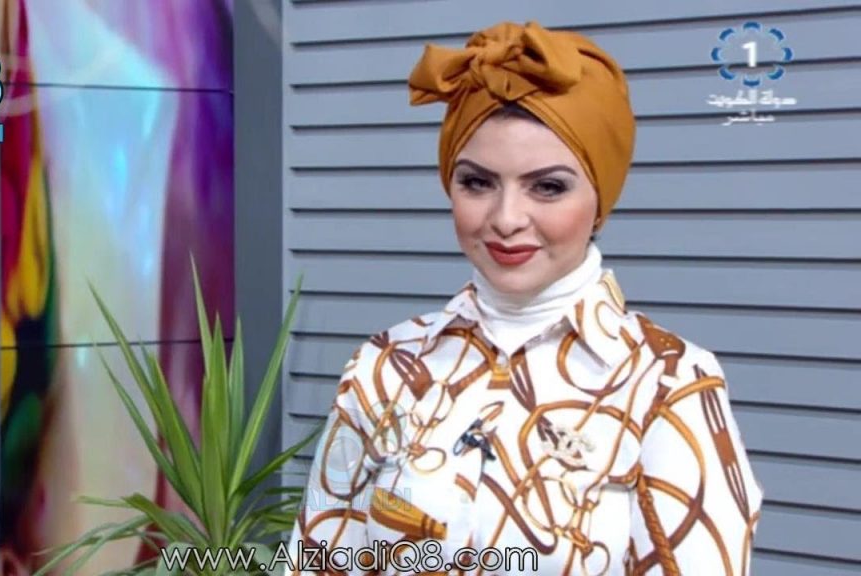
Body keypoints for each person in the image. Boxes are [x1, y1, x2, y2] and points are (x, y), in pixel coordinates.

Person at [284, 20, 763, 576]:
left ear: (601, 199)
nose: (506, 219)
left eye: (548, 187)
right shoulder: (389, 365)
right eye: (477, 182)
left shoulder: (667, 384)